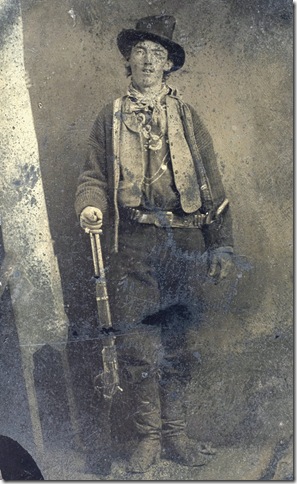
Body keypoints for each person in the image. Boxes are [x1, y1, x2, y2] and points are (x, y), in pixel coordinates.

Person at [75, 14, 234, 473]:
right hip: (135, 243)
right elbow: (92, 176)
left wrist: (220, 244)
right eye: (140, 51)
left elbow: (213, 184)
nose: (148, 60)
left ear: (169, 65)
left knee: (179, 339)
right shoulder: (110, 116)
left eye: (158, 54)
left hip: (185, 243)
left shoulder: (186, 116)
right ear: (128, 59)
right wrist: (91, 206)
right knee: (140, 342)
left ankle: (176, 435)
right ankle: (148, 439)